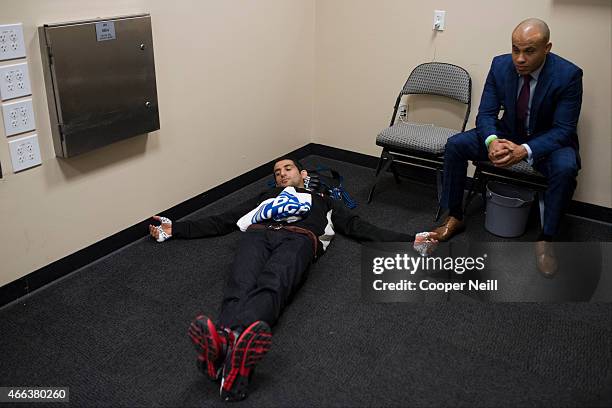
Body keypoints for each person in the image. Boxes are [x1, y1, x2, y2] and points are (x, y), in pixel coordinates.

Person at [149, 157, 436, 401]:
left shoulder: (321, 200)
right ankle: (232, 353)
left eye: (287, 169)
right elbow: (224, 219)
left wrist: (410, 241)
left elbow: (360, 227)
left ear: (303, 175)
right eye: (276, 173)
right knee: (239, 286)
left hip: (298, 240)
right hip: (258, 235)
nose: (281, 173)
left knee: (273, 284)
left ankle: (224, 348)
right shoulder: (265, 199)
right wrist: (176, 229)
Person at [434, 18, 583, 277]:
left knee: (566, 167)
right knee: (456, 145)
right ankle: (454, 215)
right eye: (516, 49)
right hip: (506, 133)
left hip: (548, 140)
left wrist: (524, 149)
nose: (520, 58)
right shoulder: (500, 65)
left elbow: (563, 130)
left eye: (529, 51)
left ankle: (547, 240)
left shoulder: (568, 75)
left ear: (547, 48)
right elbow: (486, 114)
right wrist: (492, 142)